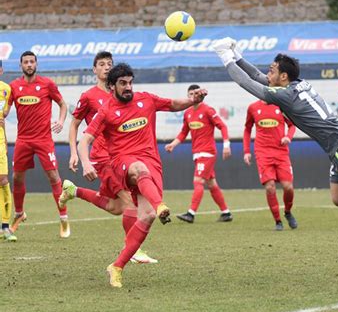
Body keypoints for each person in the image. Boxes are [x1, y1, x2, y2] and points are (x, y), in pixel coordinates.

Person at [212, 37, 338, 283]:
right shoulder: (298, 84)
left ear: (284, 77)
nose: (268, 72)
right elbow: (258, 77)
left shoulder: (286, 96)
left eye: (273, 69)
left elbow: (247, 83)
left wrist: (225, 56)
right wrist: (238, 54)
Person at [78, 62, 207, 288]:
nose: (128, 87)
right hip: (123, 163)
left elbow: (174, 104)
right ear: (112, 87)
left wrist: (192, 101)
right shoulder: (106, 110)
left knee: (145, 216)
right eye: (122, 83)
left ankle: (116, 266)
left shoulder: (145, 99)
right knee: (139, 171)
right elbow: (85, 140)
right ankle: (160, 205)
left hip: (152, 163)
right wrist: (86, 162)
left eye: (130, 82)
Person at [59, 51, 157, 263]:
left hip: (121, 156)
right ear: (94, 70)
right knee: (131, 203)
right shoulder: (88, 96)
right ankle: (133, 250)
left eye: (109, 64)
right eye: (101, 64)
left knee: (116, 207)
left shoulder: (122, 95)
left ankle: (73, 191)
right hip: (103, 158)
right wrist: (75, 153)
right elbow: (75, 125)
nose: (106, 67)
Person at [6, 51, 69, 238]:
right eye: (25, 62)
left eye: (32, 61)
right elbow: (6, 110)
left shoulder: (47, 84)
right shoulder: (14, 87)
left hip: (43, 140)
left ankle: (63, 218)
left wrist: (60, 121)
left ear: (36, 64)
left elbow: (63, 104)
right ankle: (19, 214)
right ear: (20, 66)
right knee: (16, 178)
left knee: (53, 176)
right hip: (23, 140)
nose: (29, 64)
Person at [165, 84, 233, 223]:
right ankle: (226, 213)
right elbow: (184, 132)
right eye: (190, 95)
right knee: (212, 184)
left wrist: (226, 145)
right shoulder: (188, 112)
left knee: (198, 181)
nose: (192, 97)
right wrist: (173, 144)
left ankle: (191, 213)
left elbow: (223, 126)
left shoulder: (208, 110)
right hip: (197, 153)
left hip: (207, 153)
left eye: (195, 94)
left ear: (199, 95)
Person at [243, 99, 297, 231]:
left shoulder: (281, 105)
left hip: (281, 152)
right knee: (270, 187)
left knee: (288, 187)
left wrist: (288, 137)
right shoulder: (253, 107)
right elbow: (247, 129)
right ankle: (278, 221)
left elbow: (292, 125)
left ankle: (288, 212)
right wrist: (246, 151)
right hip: (262, 152)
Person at [0, 60, 16, 242]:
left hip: (0, 141)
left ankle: (5, 226)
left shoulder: (6, 89)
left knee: (3, 179)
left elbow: (3, 114)